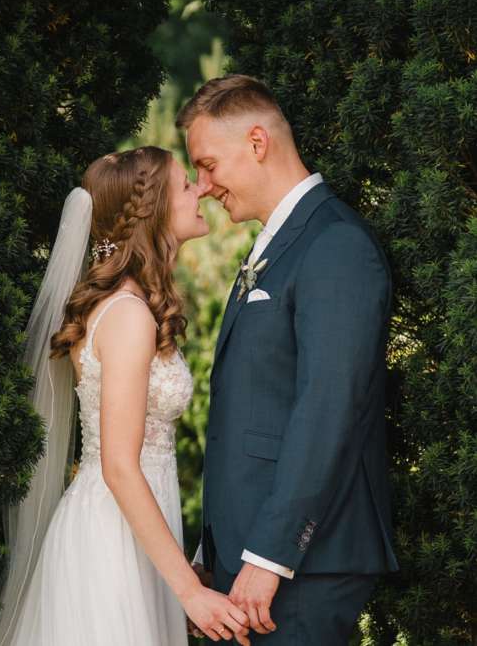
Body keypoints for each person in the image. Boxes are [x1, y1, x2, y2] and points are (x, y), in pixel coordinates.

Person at [0, 146, 251, 645]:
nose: (201, 190)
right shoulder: (128, 314)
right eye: (185, 185)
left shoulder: (128, 305)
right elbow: (119, 466)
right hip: (111, 540)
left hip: (137, 531)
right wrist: (190, 593)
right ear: (153, 210)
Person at [177, 74, 399, 644]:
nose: (204, 186)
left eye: (208, 165)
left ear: (257, 142)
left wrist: (271, 556)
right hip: (249, 554)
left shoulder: (335, 244)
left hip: (302, 565)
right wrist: (214, 548)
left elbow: (329, 409)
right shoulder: (280, 242)